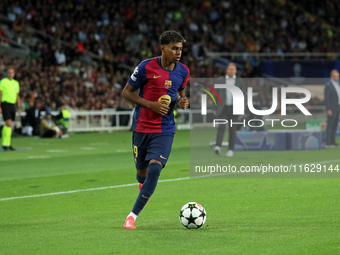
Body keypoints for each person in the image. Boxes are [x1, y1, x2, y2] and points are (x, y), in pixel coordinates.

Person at [121, 30, 190, 229]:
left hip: (165, 129)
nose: (178, 53)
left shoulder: (183, 71)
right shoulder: (146, 67)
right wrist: (150, 104)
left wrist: (183, 101)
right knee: (141, 174)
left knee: (154, 168)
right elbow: (126, 92)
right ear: (163, 48)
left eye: (180, 49)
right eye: (174, 48)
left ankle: (132, 216)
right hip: (141, 127)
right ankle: (144, 187)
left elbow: (180, 91)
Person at [214, 63, 245, 157]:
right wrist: (214, 108)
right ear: (226, 70)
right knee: (221, 128)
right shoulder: (220, 81)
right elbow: (215, 95)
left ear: (235, 71)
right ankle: (218, 146)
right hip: (223, 108)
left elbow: (243, 95)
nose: (231, 71)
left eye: (233, 69)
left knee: (232, 129)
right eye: (230, 69)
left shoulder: (240, 82)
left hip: (234, 108)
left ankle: (230, 149)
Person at [0, 66, 21, 150]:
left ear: (14, 74)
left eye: (12, 72)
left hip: (13, 105)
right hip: (5, 104)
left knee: (10, 125)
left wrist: (19, 107)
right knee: (8, 123)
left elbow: (17, 96)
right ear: (6, 73)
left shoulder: (16, 83)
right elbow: (0, 94)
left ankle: (8, 144)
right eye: (9, 72)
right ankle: (4, 143)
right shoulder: (3, 82)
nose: (10, 74)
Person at [325, 69, 340, 146]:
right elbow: (327, 98)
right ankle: (327, 141)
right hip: (332, 108)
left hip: (337, 107)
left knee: (335, 125)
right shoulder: (328, 85)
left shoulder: (338, 85)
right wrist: (328, 109)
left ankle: (332, 141)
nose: (337, 77)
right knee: (330, 125)